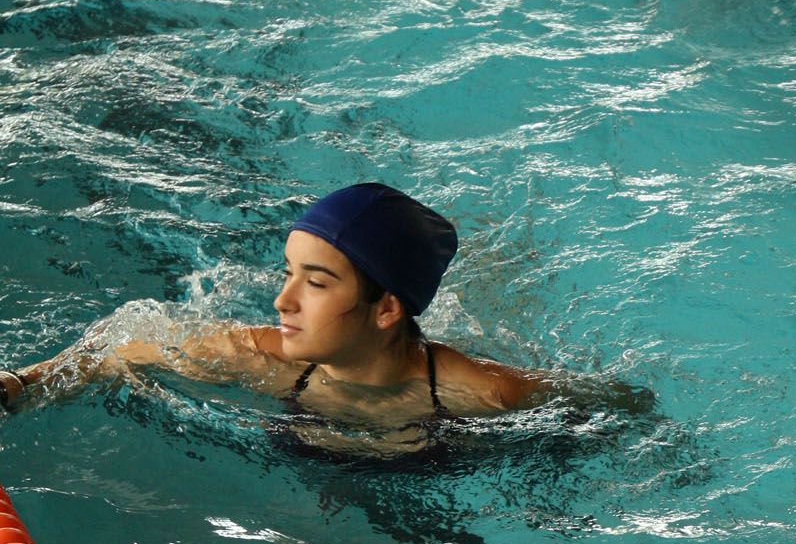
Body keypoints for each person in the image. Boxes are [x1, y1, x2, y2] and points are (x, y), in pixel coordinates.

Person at [0, 184, 644, 446]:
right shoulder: (261, 358)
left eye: (315, 283)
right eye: (288, 274)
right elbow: (120, 345)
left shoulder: (485, 393)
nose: (282, 301)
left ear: (388, 307)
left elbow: (623, 407)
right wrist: (19, 387)